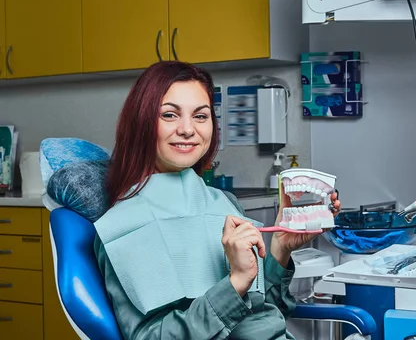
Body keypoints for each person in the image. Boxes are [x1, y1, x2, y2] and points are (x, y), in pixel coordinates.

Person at [93, 61, 341, 340]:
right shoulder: (124, 226)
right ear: (141, 122)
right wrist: (235, 283)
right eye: (170, 115)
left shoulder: (223, 202)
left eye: (200, 116)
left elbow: (266, 314)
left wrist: (280, 250)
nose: (188, 130)